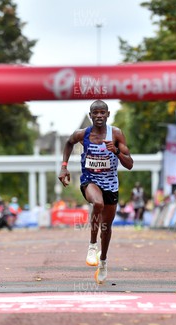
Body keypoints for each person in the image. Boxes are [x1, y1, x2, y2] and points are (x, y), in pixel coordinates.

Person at [59, 100, 134, 284]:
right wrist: (64, 167)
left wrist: (116, 150)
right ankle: (92, 246)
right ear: (90, 115)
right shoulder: (83, 134)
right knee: (97, 204)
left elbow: (130, 164)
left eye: (102, 113)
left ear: (108, 115)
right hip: (89, 180)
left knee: (107, 228)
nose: (99, 116)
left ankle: (103, 262)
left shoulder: (116, 134)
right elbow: (68, 143)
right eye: (96, 113)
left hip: (111, 184)